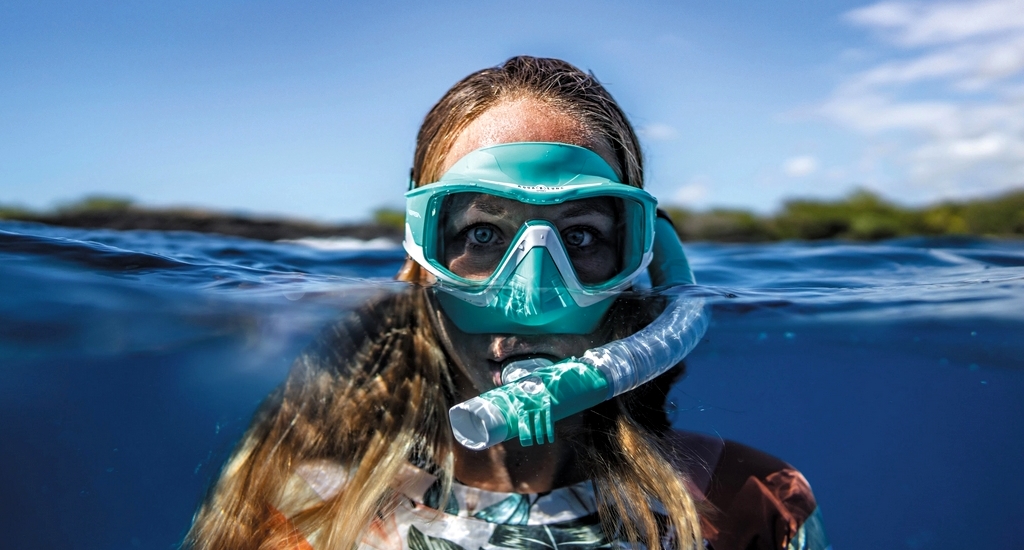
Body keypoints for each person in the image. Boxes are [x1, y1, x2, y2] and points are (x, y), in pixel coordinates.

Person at [185, 56, 829, 550]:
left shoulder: (752, 503)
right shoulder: (306, 508)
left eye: (581, 237)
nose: (531, 299)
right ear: (421, 250)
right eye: (482, 233)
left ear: (645, 254)